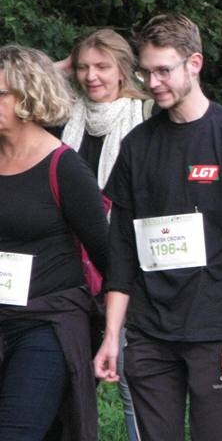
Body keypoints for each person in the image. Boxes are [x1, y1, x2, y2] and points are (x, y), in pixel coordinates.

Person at [93, 14, 222, 440]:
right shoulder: (137, 145)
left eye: (163, 70)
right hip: (149, 331)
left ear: (194, 64)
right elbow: (121, 250)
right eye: (145, 72)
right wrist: (112, 335)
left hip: (217, 331)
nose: (153, 82)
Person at [0, 45, 109, 440]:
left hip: (46, 323)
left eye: (0, 94)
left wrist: (114, 331)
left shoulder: (65, 167)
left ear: (29, 97)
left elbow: (107, 255)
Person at [60, 28, 151, 441]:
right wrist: (61, 66)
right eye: (82, 67)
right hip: (69, 268)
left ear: (122, 69)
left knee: (133, 379)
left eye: (102, 66)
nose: (90, 76)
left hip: (127, 263)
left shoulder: (146, 114)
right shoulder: (64, 114)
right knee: (70, 378)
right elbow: (16, 82)